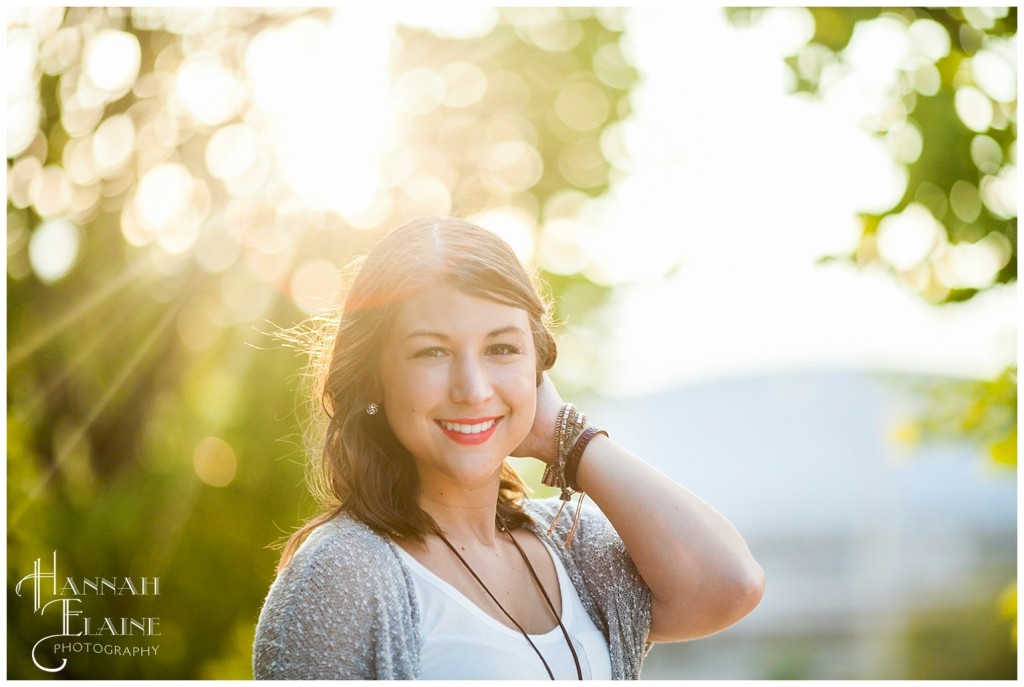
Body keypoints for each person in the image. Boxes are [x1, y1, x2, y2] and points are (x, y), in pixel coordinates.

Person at [252, 217, 764, 680]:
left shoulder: (572, 545)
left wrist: (571, 441)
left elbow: (732, 585)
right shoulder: (343, 574)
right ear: (374, 380)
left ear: (537, 371)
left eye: (502, 349)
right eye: (432, 351)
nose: (473, 389)